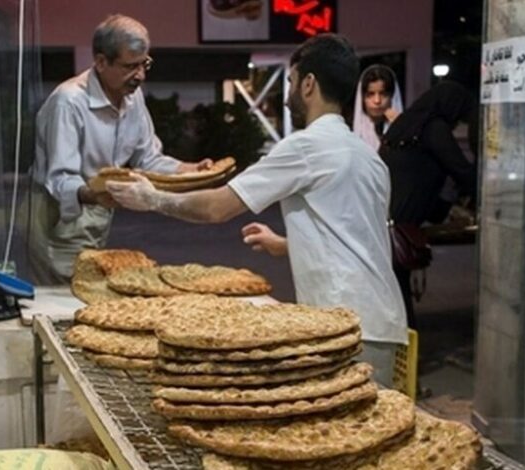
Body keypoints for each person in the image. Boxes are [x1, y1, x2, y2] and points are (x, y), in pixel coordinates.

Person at [107, 34, 408, 387]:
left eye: (292, 82)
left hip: (343, 324)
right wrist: (286, 243)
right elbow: (356, 234)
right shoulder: (367, 156)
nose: (287, 94)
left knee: (339, 433)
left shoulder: (307, 146)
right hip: (383, 323)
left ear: (309, 84)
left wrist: (153, 198)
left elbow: (217, 207)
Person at [30, 14, 211, 283]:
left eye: (145, 64)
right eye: (130, 67)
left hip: (99, 207)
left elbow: (147, 158)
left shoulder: (132, 96)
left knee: (91, 292)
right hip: (61, 215)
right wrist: (97, 194)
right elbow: (59, 179)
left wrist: (190, 170)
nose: (140, 75)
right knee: (65, 300)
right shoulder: (68, 103)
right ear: (101, 62)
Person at [378, 81, 478, 327]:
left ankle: (399, 352)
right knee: (400, 300)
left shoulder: (401, 126)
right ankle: (404, 354)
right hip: (400, 226)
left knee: (393, 294)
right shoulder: (433, 129)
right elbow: (463, 172)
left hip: (382, 219)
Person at [352, 64, 403, 151]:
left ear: (392, 96)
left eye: (383, 94)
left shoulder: (407, 130)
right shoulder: (349, 133)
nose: (377, 101)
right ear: (362, 98)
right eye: (370, 94)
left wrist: (401, 128)